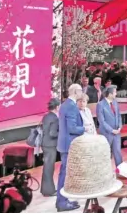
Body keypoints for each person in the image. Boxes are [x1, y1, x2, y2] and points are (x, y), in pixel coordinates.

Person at [56, 84, 85, 212]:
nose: (81, 92)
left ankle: (63, 200)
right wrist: (84, 129)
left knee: (65, 173)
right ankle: (62, 202)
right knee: (65, 174)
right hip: (69, 145)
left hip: (64, 144)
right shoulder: (71, 106)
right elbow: (72, 128)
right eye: (80, 90)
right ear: (75, 91)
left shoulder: (64, 105)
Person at [97, 85, 123, 166]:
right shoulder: (100, 105)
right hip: (106, 133)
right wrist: (112, 130)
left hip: (117, 132)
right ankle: (106, 172)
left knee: (118, 152)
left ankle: (120, 171)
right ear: (110, 94)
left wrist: (119, 126)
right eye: (115, 92)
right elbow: (102, 121)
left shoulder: (115, 102)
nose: (116, 94)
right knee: (106, 153)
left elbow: (118, 115)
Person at [41, 98, 60, 197]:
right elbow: (53, 133)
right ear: (57, 107)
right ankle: (49, 191)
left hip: (45, 144)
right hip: (51, 145)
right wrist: (61, 133)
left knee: (46, 167)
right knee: (49, 168)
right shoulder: (55, 118)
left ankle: (45, 189)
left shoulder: (46, 117)